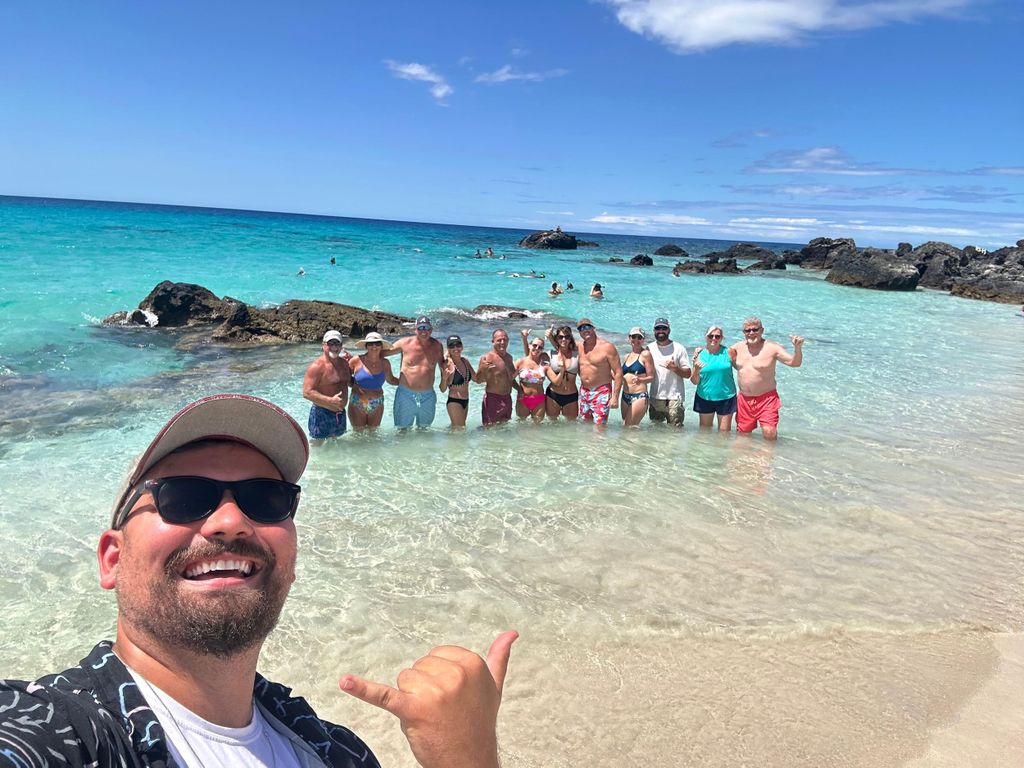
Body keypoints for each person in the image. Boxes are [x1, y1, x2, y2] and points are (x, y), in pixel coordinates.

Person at [0, 393, 517, 768]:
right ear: (112, 559)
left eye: (266, 498)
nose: (230, 522)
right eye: (184, 496)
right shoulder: (59, 732)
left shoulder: (336, 750)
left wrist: (467, 758)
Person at [729, 316, 804, 440]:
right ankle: (744, 459)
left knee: (769, 432)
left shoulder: (772, 348)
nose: (751, 333)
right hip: (744, 399)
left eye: (755, 330)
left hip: (766, 398)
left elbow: (795, 363)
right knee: (743, 434)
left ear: (762, 330)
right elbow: (730, 363)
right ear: (744, 333)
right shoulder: (736, 348)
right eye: (748, 331)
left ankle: (768, 457)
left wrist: (798, 348)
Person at [384, 316, 445, 430]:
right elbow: (379, 354)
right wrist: (389, 376)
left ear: (431, 330)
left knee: (424, 430)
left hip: (428, 396)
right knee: (402, 431)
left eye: (426, 328)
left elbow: (443, 365)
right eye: (421, 328)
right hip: (405, 394)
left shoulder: (437, 346)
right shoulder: (404, 343)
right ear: (415, 329)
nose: (424, 331)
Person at [303, 329, 351, 440]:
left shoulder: (344, 363)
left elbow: (349, 383)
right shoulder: (317, 367)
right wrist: (330, 401)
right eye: (330, 343)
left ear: (341, 345)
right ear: (323, 345)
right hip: (321, 413)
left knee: (338, 445)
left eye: (337, 343)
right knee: (318, 445)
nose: (334, 347)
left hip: (340, 413)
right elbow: (307, 392)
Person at [348, 332, 400, 431]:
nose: (374, 346)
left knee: (373, 435)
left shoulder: (385, 363)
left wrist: (407, 382)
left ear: (381, 346)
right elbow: (345, 378)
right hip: (358, 402)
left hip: (377, 403)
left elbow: (391, 380)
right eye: (371, 344)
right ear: (366, 346)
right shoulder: (356, 360)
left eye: (377, 343)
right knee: (358, 435)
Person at [690, 325, 738, 431]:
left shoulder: (729, 352)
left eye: (717, 336)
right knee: (705, 432)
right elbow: (694, 381)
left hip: (726, 397)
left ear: (722, 338)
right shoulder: (699, 354)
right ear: (706, 337)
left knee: (724, 433)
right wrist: (696, 371)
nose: (714, 339)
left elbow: (741, 369)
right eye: (711, 336)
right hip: (704, 397)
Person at [576, 318, 621, 427]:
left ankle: (599, 444)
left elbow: (618, 372)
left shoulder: (607, 347)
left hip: (601, 392)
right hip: (584, 392)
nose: (584, 330)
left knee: (599, 427)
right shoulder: (579, 346)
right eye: (581, 328)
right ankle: (586, 445)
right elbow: (562, 347)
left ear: (593, 328)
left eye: (587, 327)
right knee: (584, 426)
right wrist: (550, 337)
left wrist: (615, 397)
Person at [647, 317, 691, 427]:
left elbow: (688, 374)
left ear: (669, 330)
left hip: (675, 397)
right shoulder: (649, 348)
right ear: (654, 331)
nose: (661, 331)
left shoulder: (679, 348)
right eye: (658, 328)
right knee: (655, 429)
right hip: (655, 396)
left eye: (664, 328)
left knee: (675, 431)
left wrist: (675, 368)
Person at [477, 329, 518, 426]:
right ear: (493, 341)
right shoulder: (487, 358)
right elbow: (479, 380)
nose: (502, 343)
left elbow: (511, 379)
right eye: (499, 340)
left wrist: (520, 390)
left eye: (505, 340)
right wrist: (483, 369)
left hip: (507, 398)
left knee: (504, 429)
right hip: (493, 399)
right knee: (489, 429)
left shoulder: (509, 358)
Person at [439, 334, 476, 429]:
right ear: (448, 348)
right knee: (460, 429)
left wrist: (485, 369)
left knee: (457, 430)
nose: (456, 348)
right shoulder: (447, 364)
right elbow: (442, 389)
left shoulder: (465, 361)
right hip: (454, 402)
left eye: (458, 345)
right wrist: (444, 378)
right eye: (452, 346)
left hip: (466, 401)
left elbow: (477, 379)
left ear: (462, 347)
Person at [620, 326, 655, 427]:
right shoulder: (626, 356)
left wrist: (640, 379)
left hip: (639, 396)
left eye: (639, 338)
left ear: (643, 340)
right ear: (629, 338)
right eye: (633, 337)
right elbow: (622, 376)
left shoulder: (645, 354)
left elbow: (651, 377)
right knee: (626, 426)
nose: (636, 340)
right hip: (625, 395)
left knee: (629, 426)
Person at [544, 325, 580, 421]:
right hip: (553, 395)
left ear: (571, 339)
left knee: (572, 426)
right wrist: (525, 339)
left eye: (567, 337)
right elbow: (530, 356)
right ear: (556, 338)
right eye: (560, 337)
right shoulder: (550, 354)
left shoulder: (577, 354)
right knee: (552, 425)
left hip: (571, 396)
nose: (564, 339)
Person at [515, 331, 548, 422]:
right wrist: (519, 389)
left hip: (539, 400)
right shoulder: (520, 362)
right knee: (521, 426)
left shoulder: (544, 363)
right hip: (523, 398)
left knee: (537, 429)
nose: (537, 348)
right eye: (534, 345)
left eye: (540, 347)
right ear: (529, 346)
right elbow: (509, 378)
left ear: (542, 350)